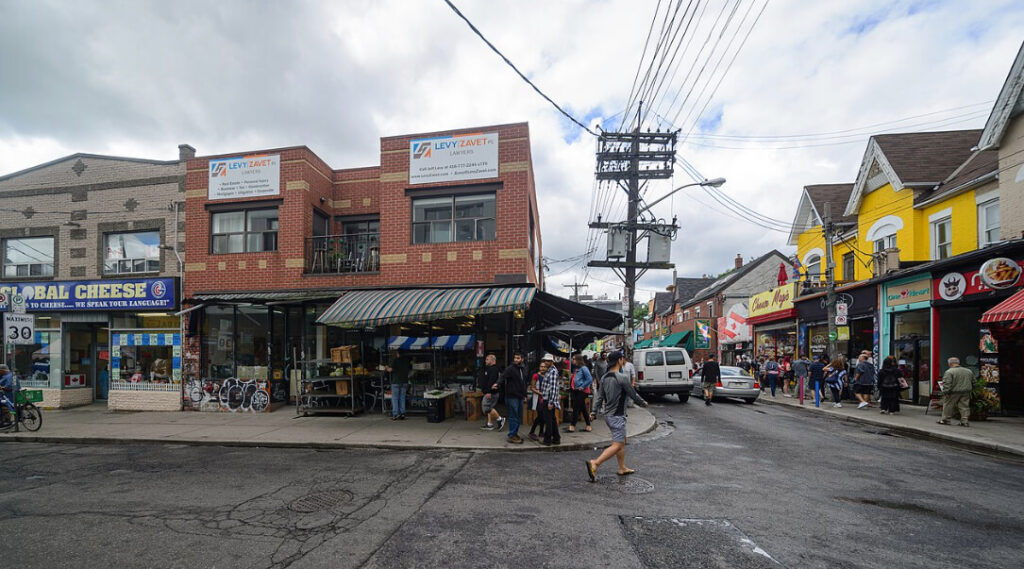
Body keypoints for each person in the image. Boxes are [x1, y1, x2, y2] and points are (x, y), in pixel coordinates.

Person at [585, 351, 648, 482]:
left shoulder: (604, 377)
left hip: (608, 415)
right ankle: (595, 463)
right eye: (622, 359)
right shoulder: (622, 377)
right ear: (619, 360)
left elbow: (600, 398)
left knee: (621, 442)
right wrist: (643, 403)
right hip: (617, 416)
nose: (623, 361)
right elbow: (633, 394)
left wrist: (593, 412)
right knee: (617, 445)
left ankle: (622, 467)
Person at [494, 352, 528, 444]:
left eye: (518, 358)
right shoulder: (510, 368)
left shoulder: (523, 369)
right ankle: (512, 435)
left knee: (519, 417)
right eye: (515, 358)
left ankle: (514, 433)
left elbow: (524, 383)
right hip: (512, 396)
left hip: (520, 396)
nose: (516, 360)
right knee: (513, 416)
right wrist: (497, 383)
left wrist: (525, 395)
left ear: (522, 359)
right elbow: (502, 376)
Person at [938, 357, 974, 427]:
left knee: (948, 405)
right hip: (966, 391)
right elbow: (973, 381)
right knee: (964, 407)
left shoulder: (949, 372)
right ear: (958, 363)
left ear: (950, 364)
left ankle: (946, 420)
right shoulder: (968, 371)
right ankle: (964, 421)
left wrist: (946, 392)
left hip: (953, 392)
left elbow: (947, 383)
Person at [538, 354, 562, 445]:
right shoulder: (550, 370)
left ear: (552, 362)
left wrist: (551, 402)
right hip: (547, 398)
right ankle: (556, 438)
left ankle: (547, 440)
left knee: (548, 420)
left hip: (548, 399)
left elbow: (553, 387)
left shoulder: (552, 371)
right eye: (545, 361)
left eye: (548, 361)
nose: (546, 362)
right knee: (552, 419)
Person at [478, 354, 506, 431]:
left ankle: (500, 419)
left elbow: (491, 382)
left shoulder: (494, 369)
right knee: (490, 407)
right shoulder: (491, 369)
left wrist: (488, 391)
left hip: (491, 393)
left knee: (486, 408)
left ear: (492, 360)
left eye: (487, 359)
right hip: (490, 392)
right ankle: (489, 424)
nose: (485, 361)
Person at [568, 354, 593, 433]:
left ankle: (572, 425)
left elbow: (589, 379)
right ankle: (588, 425)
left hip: (582, 391)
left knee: (576, 408)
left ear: (578, 360)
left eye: (574, 359)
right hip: (576, 390)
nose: (573, 360)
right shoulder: (577, 369)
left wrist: (582, 386)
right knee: (583, 409)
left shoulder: (584, 368)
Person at [527, 360, 549, 441]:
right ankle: (532, 432)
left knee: (542, 417)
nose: (543, 368)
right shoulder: (535, 376)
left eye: (544, 367)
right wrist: (540, 393)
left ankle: (541, 432)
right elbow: (532, 388)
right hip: (538, 399)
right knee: (540, 416)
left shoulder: (547, 376)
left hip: (544, 399)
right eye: (541, 367)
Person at [386, 351, 411, 420]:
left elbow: (390, 370)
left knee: (395, 398)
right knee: (402, 398)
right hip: (404, 381)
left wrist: (386, 367)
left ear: (397, 353)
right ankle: (402, 414)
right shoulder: (406, 360)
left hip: (396, 382)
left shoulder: (395, 360)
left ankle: (395, 414)